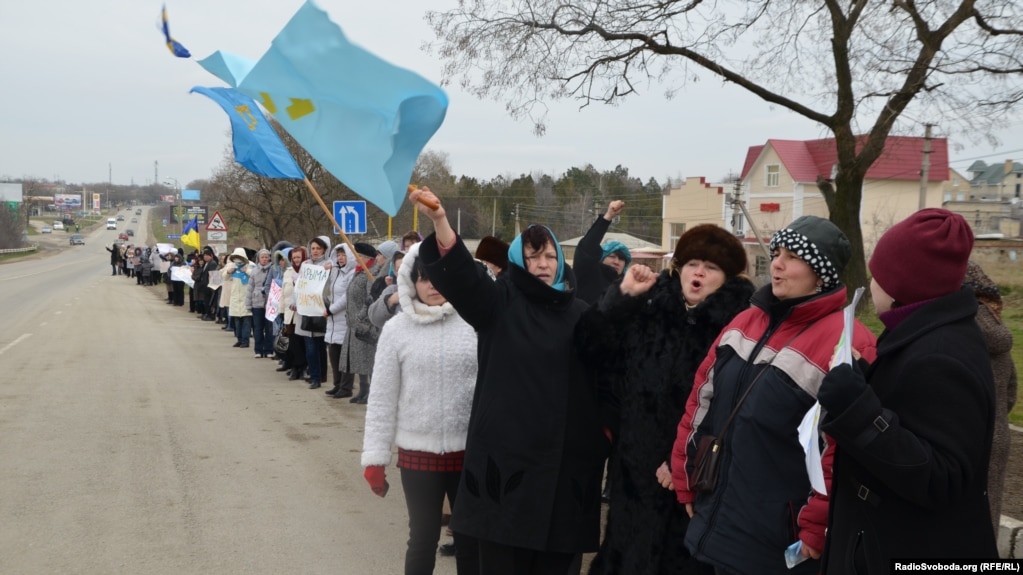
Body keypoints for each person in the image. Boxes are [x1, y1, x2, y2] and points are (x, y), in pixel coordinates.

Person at [411, 187, 611, 575]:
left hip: (565, 470)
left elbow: (608, 371)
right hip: (507, 465)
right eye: (534, 255)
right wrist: (439, 221)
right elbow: (465, 277)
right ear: (519, 261)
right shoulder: (498, 303)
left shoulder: (582, 313)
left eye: (551, 255)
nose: (543, 263)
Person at [671, 215, 877, 575]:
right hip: (720, 518)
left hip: (780, 538)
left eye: (792, 257)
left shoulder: (850, 343)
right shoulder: (746, 321)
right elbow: (701, 399)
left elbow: (839, 448)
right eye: (777, 251)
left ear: (821, 274)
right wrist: (685, 473)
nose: (777, 264)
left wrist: (817, 523)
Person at [817, 209, 998, 571]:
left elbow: (942, 477)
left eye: (879, 273)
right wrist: (868, 381)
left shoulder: (941, 356)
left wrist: (856, 408)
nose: (871, 281)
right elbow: (914, 410)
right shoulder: (925, 335)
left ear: (904, 284)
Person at [576, 225, 755, 575]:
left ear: (728, 278)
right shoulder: (651, 308)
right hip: (634, 478)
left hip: (695, 481)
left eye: (712, 267)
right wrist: (622, 295)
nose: (699, 272)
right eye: (692, 263)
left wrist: (685, 459)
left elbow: (736, 406)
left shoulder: (740, 328)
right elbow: (590, 348)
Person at [361, 243, 480, 575]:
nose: (432, 285)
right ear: (411, 281)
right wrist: (375, 457)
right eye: (423, 278)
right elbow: (382, 398)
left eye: (438, 277)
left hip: (470, 451)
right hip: (418, 452)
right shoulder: (397, 331)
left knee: (471, 541)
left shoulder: (475, 324)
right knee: (423, 538)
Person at [963, 261, 1018, 537]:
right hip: (998, 435)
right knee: (988, 520)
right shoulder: (999, 328)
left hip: (966, 436)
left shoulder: (959, 327)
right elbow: (1010, 392)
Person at [341, 242, 384, 404]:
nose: (356, 259)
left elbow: (370, 298)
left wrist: (361, 316)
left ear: (366, 258)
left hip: (365, 323)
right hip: (353, 323)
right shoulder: (358, 272)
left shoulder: (370, 273)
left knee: (368, 359)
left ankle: (372, 391)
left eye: (358, 256)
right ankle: (363, 389)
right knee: (359, 360)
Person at [294, 237, 331, 389]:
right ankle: (314, 376)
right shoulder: (306, 265)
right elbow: (299, 285)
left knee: (321, 345)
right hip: (306, 309)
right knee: (310, 346)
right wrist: (295, 302)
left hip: (320, 309)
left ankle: (322, 374)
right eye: (313, 248)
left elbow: (329, 288)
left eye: (318, 248)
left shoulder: (328, 265)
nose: (315, 251)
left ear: (324, 250)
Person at [574, 200, 627, 305]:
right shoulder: (589, 274)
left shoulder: (627, 286)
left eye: (622, 259)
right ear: (602, 257)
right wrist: (607, 217)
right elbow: (587, 248)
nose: (617, 262)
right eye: (612, 256)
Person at [324, 243, 357, 398]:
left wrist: (331, 309)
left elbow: (347, 297)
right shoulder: (335, 272)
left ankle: (346, 386)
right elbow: (328, 290)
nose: (340, 258)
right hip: (333, 320)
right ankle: (337, 384)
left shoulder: (352, 273)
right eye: (338, 255)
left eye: (343, 254)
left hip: (343, 318)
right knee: (334, 352)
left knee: (345, 355)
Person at [221, 247, 254, 348]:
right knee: (237, 321)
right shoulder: (231, 265)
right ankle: (239, 339)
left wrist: (247, 271)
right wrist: (228, 272)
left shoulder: (251, 265)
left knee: (246, 321)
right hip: (235, 297)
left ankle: (245, 340)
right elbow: (224, 276)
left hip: (246, 297)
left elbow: (255, 275)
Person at [247, 248, 275, 358]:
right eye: (262, 257)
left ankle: (269, 349)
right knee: (258, 328)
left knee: (269, 328)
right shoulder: (254, 271)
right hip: (256, 302)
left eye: (266, 257)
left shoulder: (273, 270)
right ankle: (258, 350)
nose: (264, 259)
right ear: (258, 258)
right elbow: (250, 288)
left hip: (270, 303)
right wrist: (248, 304)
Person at [196, 247, 219, 321]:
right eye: (204, 255)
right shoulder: (206, 263)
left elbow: (213, 275)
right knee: (206, 301)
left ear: (211, 255)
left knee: (210, 301)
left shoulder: (212, 263)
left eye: (207, 255)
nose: (205, 256)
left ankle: (210, 315)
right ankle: (206, 313)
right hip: (205, 285)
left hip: (209, 286)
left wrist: (211, 286)